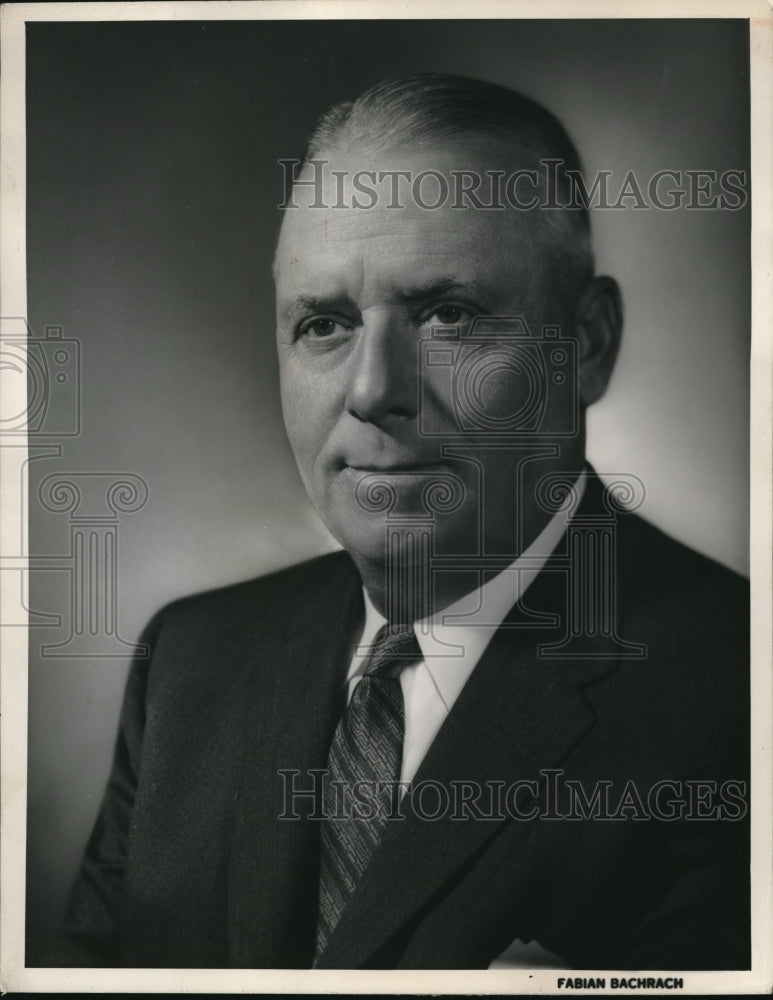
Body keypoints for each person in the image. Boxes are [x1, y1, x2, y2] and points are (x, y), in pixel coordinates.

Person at [54, 74, 749, 970]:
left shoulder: (738, 698)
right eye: (324, 324)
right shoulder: (190, 663)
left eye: (448, 315)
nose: (374, 390)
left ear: (585, 344)